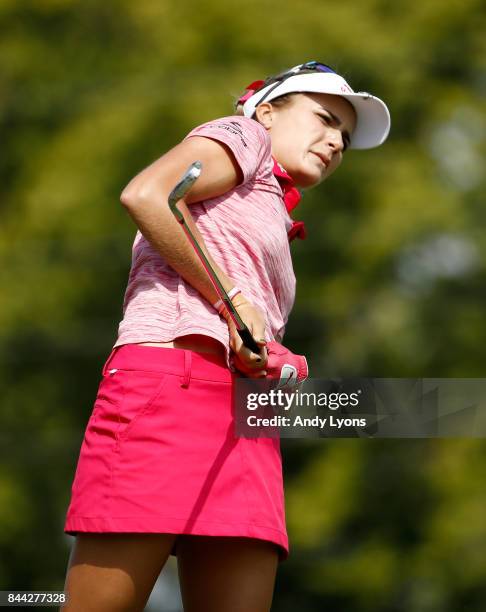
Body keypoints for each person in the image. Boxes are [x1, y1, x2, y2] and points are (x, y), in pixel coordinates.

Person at [61, 61, 390, 611]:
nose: (335, 141)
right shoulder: (244, 136)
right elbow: (148, 194)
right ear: (265, 110)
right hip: (169, 389)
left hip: (245, 417)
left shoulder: (270, 206)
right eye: (325, 118)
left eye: (345, 138)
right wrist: (231, 302)